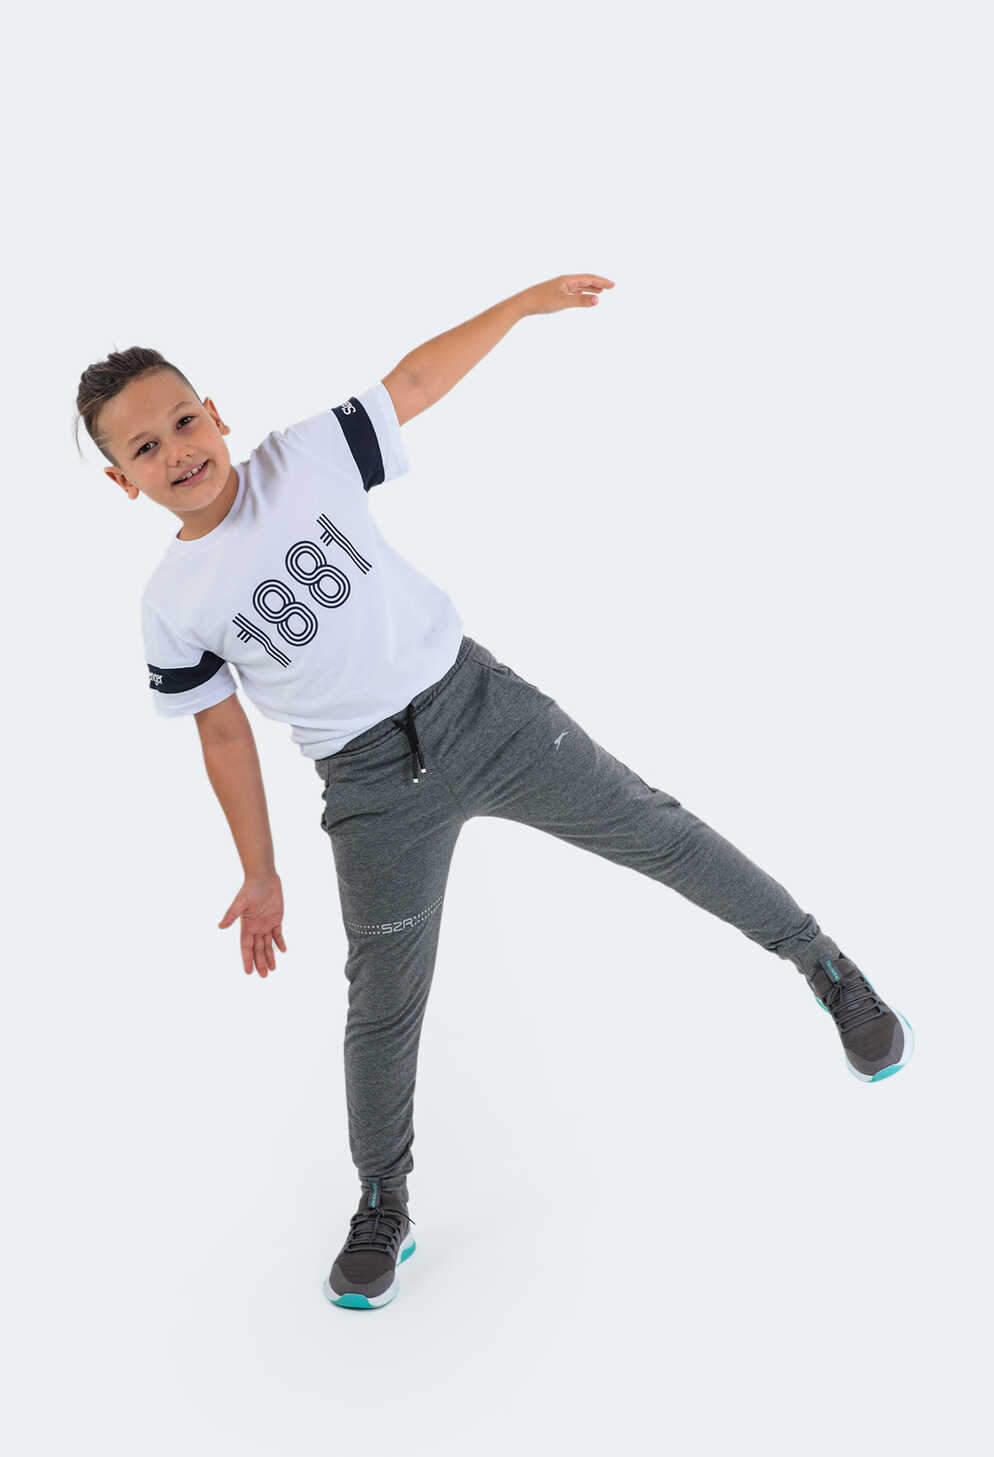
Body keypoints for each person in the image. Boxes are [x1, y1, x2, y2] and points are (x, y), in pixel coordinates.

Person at [74, 273, 914, 1312]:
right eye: (144, 447)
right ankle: (382, 1200)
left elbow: (414, 382)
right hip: (371, 790)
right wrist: (260, 870)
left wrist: (517, 308)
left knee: (657, 830)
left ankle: (825, 965)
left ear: (215, 413)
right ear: (123, 481)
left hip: (481, 711)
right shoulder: (171, 604)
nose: (176, 450)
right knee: (384, 1000)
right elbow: (223, 734)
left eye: (182, 421)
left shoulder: (303, 459)